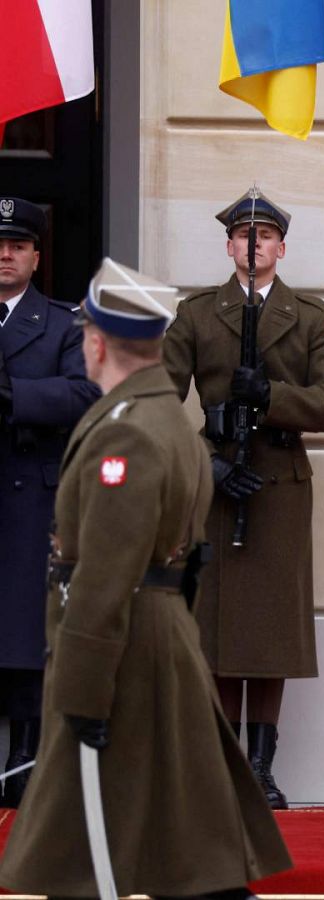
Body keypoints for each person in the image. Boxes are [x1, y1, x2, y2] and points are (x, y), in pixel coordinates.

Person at [0, 258, 291, 899]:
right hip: (158, 641)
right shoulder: (165, 421)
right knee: (182, 851)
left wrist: (80, 690)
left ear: (97, 343)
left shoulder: (126, 433)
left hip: (122, 653)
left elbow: (105, 575)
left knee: (83, 859)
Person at [163, 188, 324, 808]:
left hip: (277, 485)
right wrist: (206, 464)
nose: (254, 246)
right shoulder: (197, 314)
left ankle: (261, 769)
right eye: (244, 237)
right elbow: (153, 405)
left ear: (281, 247)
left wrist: (272, 396)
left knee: (270, 633)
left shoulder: (310, 316)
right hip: (217, 482)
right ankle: (224, 765)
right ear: (229, 246)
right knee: (218, 632)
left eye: (265, 236)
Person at [0, 197, 99, 808]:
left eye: (17, 245)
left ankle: (23, 761)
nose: (5, 255)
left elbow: (87, 393)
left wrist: (15, 394)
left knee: (24, 638)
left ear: (36, 257)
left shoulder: (63, 324)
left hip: (28, 498)